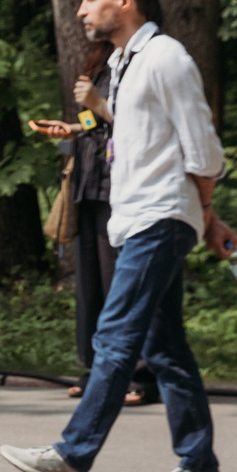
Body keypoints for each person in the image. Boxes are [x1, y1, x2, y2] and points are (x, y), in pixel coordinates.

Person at [0, 0, 234, 472]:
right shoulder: (125, 64)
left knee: (115, 335)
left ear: (124, 2)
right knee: (166, 347)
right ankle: (200, 468)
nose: (81, 9)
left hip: (157, 218)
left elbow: (203, 151)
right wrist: (207, 217)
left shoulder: (166, 58)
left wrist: (199, 211)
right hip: (140, 218)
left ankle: (72, 456)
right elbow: (149, 144)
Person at [32, 43, 161, 405]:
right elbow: (98, 121)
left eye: (91, 1)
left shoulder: (144, 61)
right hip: (88, 183)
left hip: (119, 189)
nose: (82, 11)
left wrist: (95, 102)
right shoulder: (104, 61)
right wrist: (73, 127)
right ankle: (96, 370)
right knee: (90, 286)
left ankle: (141, 376)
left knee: (119, 284)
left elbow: (141, 126)